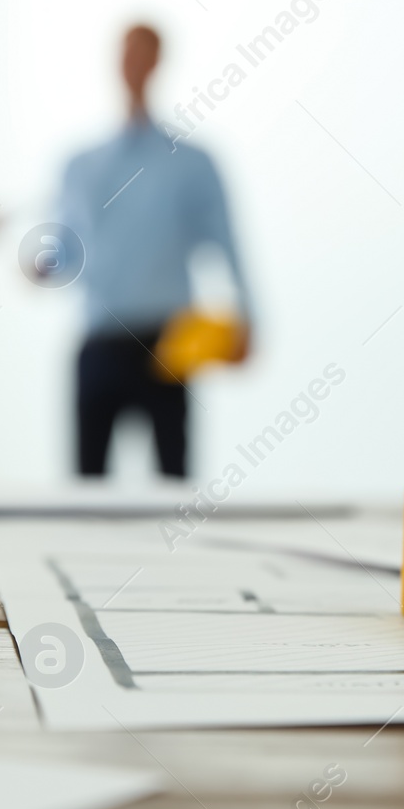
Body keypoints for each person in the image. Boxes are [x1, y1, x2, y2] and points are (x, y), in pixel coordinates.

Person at [56, 25, 252, 479]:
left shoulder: (193, 163)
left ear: (159, 62)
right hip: (100, 340)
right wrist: (42, 264)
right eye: (127, 54)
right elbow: (63, 250)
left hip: (170, 345)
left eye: (144, 54)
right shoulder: (80, 164)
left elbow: (229, 245)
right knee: (85, 492)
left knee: (173, 488)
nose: (134, 64)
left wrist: (249, 321)